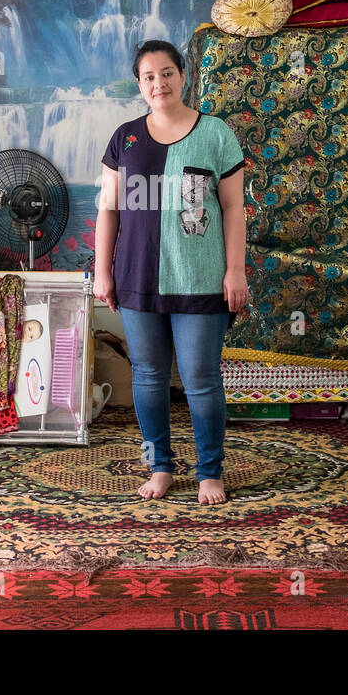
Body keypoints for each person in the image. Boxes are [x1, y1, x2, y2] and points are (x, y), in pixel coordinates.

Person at [94, 39, 248, 505]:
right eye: (148, 76)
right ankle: (159, 466)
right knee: (147, 375)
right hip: (138, 279)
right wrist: (103, 272)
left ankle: (209, 473)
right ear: (139, 84)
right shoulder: (125, 137)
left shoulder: (216, 133)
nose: (158, 83)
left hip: (201, 279)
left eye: (167, 73)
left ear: (183, 76)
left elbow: (234, 207)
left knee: (201, 378)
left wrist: (235, 271)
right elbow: (108, 210)